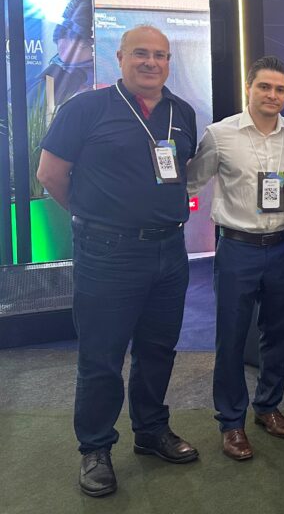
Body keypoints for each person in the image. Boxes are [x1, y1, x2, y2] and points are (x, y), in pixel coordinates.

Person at [36, 25, 199, 497]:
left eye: (160, 55)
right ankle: (95, 448)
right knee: (102, 356)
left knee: (158, 349)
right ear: (120, 57)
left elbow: (179, 172)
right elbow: (50, 173)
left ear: (169, 63)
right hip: (107, 252)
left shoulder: (181, 113)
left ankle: (150, 430)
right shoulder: (86, 108)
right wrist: (94, 217)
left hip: (170, 250)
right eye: (140, 53)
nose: (151, 62)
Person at [186, 56, 284, 461]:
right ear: (248, 88)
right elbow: (191, 181)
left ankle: (268, 406)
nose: (272, 95)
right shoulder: (220, 135)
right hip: (238, 248)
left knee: (278, 333)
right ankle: (231, 422)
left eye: (280, 89)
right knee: (232, 337)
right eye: (264, 87)